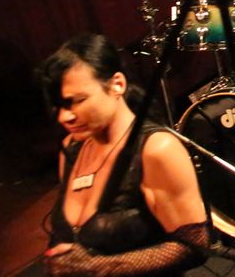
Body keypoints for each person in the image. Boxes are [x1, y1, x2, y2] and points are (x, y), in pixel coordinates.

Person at [38, 33, 208, 276]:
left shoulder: (156, 149)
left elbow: (194, 245)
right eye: (60, 106)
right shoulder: (72, 148)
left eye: (78, 101)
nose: (66, 117)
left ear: (117, 84)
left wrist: (99, 268)